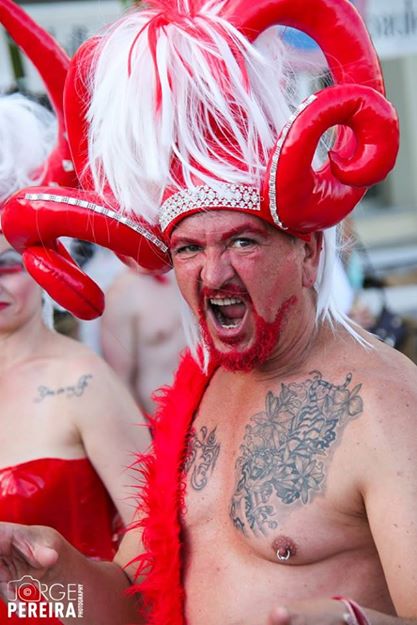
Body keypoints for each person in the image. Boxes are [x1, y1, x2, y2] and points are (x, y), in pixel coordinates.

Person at [0, 2, 414, 625]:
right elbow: (132, 607)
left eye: (242, 242)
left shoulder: (385, 406)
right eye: (189, 249)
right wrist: (44, 580)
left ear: (308, 252)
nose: (213, 274)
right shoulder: (197, 391)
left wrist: (350, 622)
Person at [100, 267, 185, 414]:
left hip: (208, 405)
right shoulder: (121, 294)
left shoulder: (189, 273)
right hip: (162, 414)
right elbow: (120, 380)